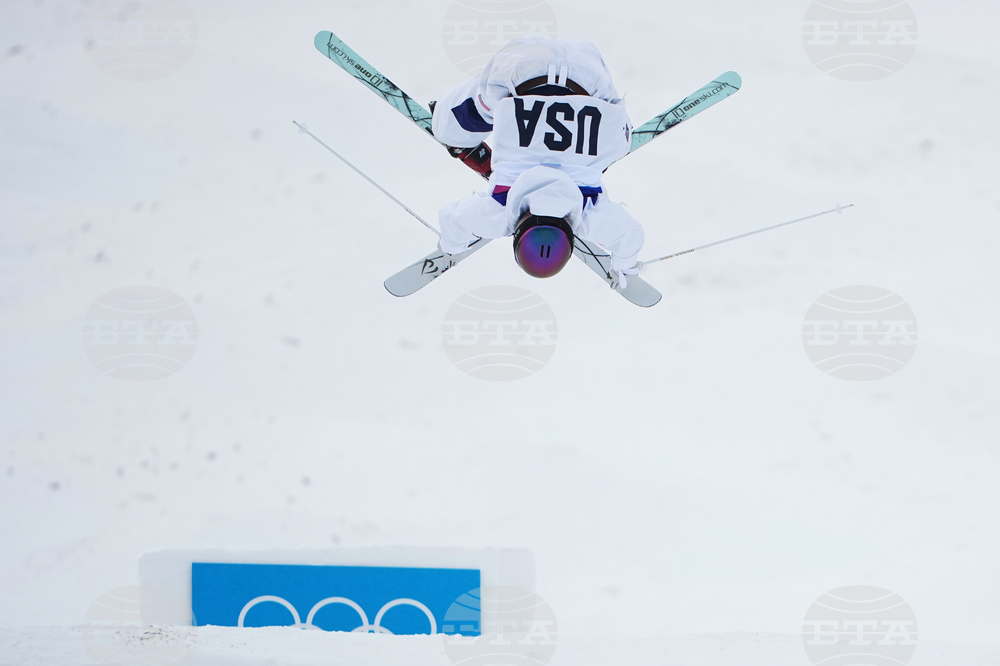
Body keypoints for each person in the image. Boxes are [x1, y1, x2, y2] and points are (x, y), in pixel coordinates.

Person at [432, 38, 644, 286]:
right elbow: (452, 220)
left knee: (616, 145)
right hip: (519, 66)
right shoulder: (500, 213)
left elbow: (630, 237)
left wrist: (625, 264)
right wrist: (451, 246)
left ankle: (594, 159)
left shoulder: (589, 215)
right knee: (445, 129)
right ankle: (465, 142)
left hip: (589, 70)